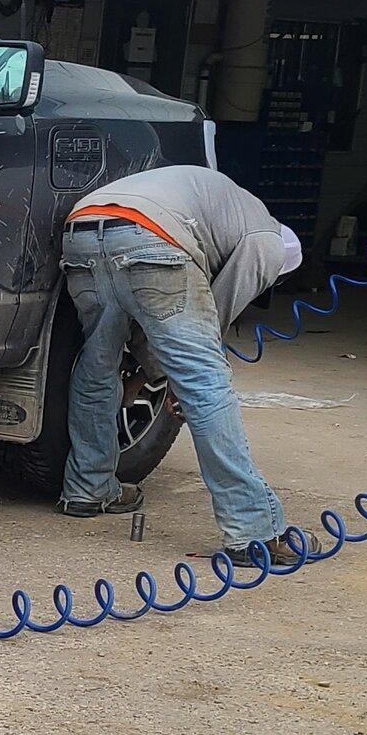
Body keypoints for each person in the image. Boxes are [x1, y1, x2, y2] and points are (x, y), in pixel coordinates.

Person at [57, 163, 308, 570]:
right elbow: (212, 323)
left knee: (96, 366)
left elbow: (148, 318)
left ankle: (88, 488)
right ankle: (253, 531)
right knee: (207, 383)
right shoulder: (269, 242)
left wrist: (154, 374)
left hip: (83, 232)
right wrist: (179, 380)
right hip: (151, 236)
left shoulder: (226, 207)